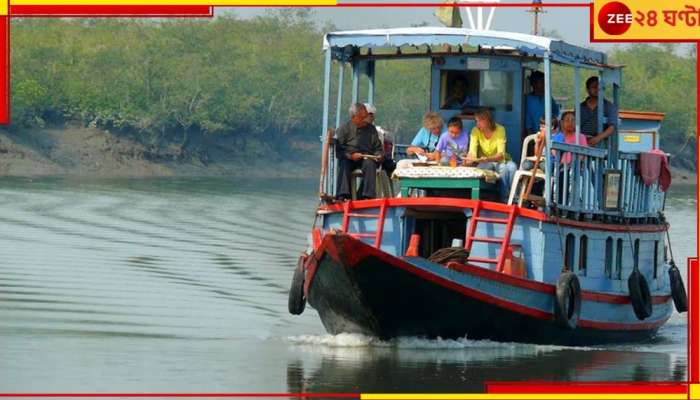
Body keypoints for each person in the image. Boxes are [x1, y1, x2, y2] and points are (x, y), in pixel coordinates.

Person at [465, 108, 517, 202]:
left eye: (479, 121)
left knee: (512, 167)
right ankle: (504, 199)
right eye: (476, 121)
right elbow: (472, 150)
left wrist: (488, 158)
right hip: (485, 162)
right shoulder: (475, 131)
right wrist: (469, 158)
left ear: (487, 120)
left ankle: (513, 197)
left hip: (499, 160)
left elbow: (501, 154)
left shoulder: (500, 129)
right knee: (503, 169)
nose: (477, 124)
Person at [335, 103, 383, 201]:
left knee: (370, 164)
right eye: (362, 118)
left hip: (366, 158)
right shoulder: (344, 129)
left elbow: (377, 148)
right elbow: (339, 151)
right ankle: (343, 196)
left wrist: (378, 155)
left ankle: (367, 197)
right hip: (350, 158)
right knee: (344, 164)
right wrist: (351, 156)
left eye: (366, 117)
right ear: (354, 117)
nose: (365, 120)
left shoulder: (371, 129)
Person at [580, 76, 618, 147]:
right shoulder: (580, 107)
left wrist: (597, 138)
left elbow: (612, 127)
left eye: (600, 88)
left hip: (600, 144)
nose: (597, 90)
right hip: (581, 143)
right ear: (587, 89)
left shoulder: (609, 106)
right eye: (594, 87)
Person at [524, 71, 560, 136]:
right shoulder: (528, 99)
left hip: (549, 133)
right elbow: (528, 122)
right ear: (534, 84)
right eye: (542, 82)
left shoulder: (548, 97)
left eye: (544, 82)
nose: (544, 84)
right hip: (535, 135)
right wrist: (531, 138)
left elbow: (556, 111)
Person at [364, 103, 396, 176]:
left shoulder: (376, 131)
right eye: (370, 115)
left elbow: (380, 148)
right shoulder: (354, 129)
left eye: (372, 115)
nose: (372, 117)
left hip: (375, 160)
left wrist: (379, 154)